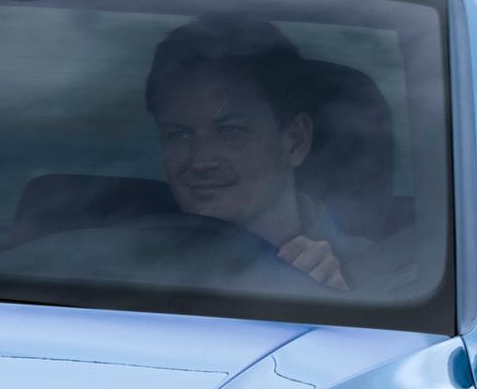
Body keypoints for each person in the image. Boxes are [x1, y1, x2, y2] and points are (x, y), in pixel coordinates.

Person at [145, 16, 348, 290]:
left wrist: (336, 302)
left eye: (231, 131)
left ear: (295, 141)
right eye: (178, 135)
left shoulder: (378, 273)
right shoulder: (126, 258)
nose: (201, 160)